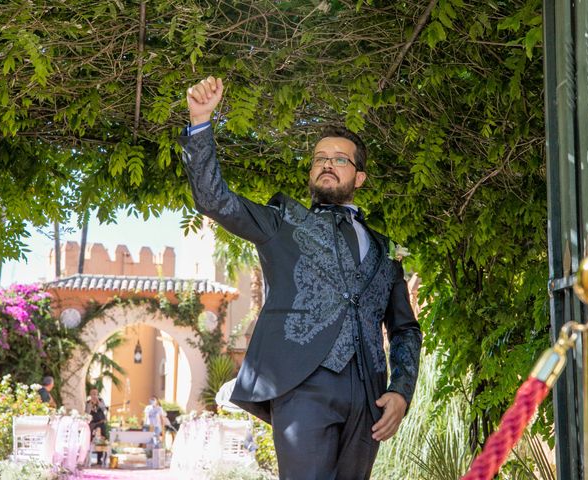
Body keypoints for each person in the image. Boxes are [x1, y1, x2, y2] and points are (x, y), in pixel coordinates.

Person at [181, 76, 422, 479]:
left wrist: (401, 390)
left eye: (340, 158)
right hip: (302, 383)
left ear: (359, 178)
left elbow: (405, 330)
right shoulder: (282, 223)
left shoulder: (385, 250)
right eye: (319, 157)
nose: (327, 162)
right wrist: (201, 121)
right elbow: (214, 199)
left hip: (369, 394)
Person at [85, 388, 108, 465]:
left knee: (103, 439)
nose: (94, 395)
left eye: (95, 394)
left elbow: (104, 409)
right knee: (90, 439)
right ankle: (88, 457)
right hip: (92, 424)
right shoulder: (88, 402)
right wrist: (91, 404)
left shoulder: (101, 401)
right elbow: (87, 412)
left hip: (101, 423)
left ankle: (100, 458)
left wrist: (98, 402)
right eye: (92, 394)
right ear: (90, 395)